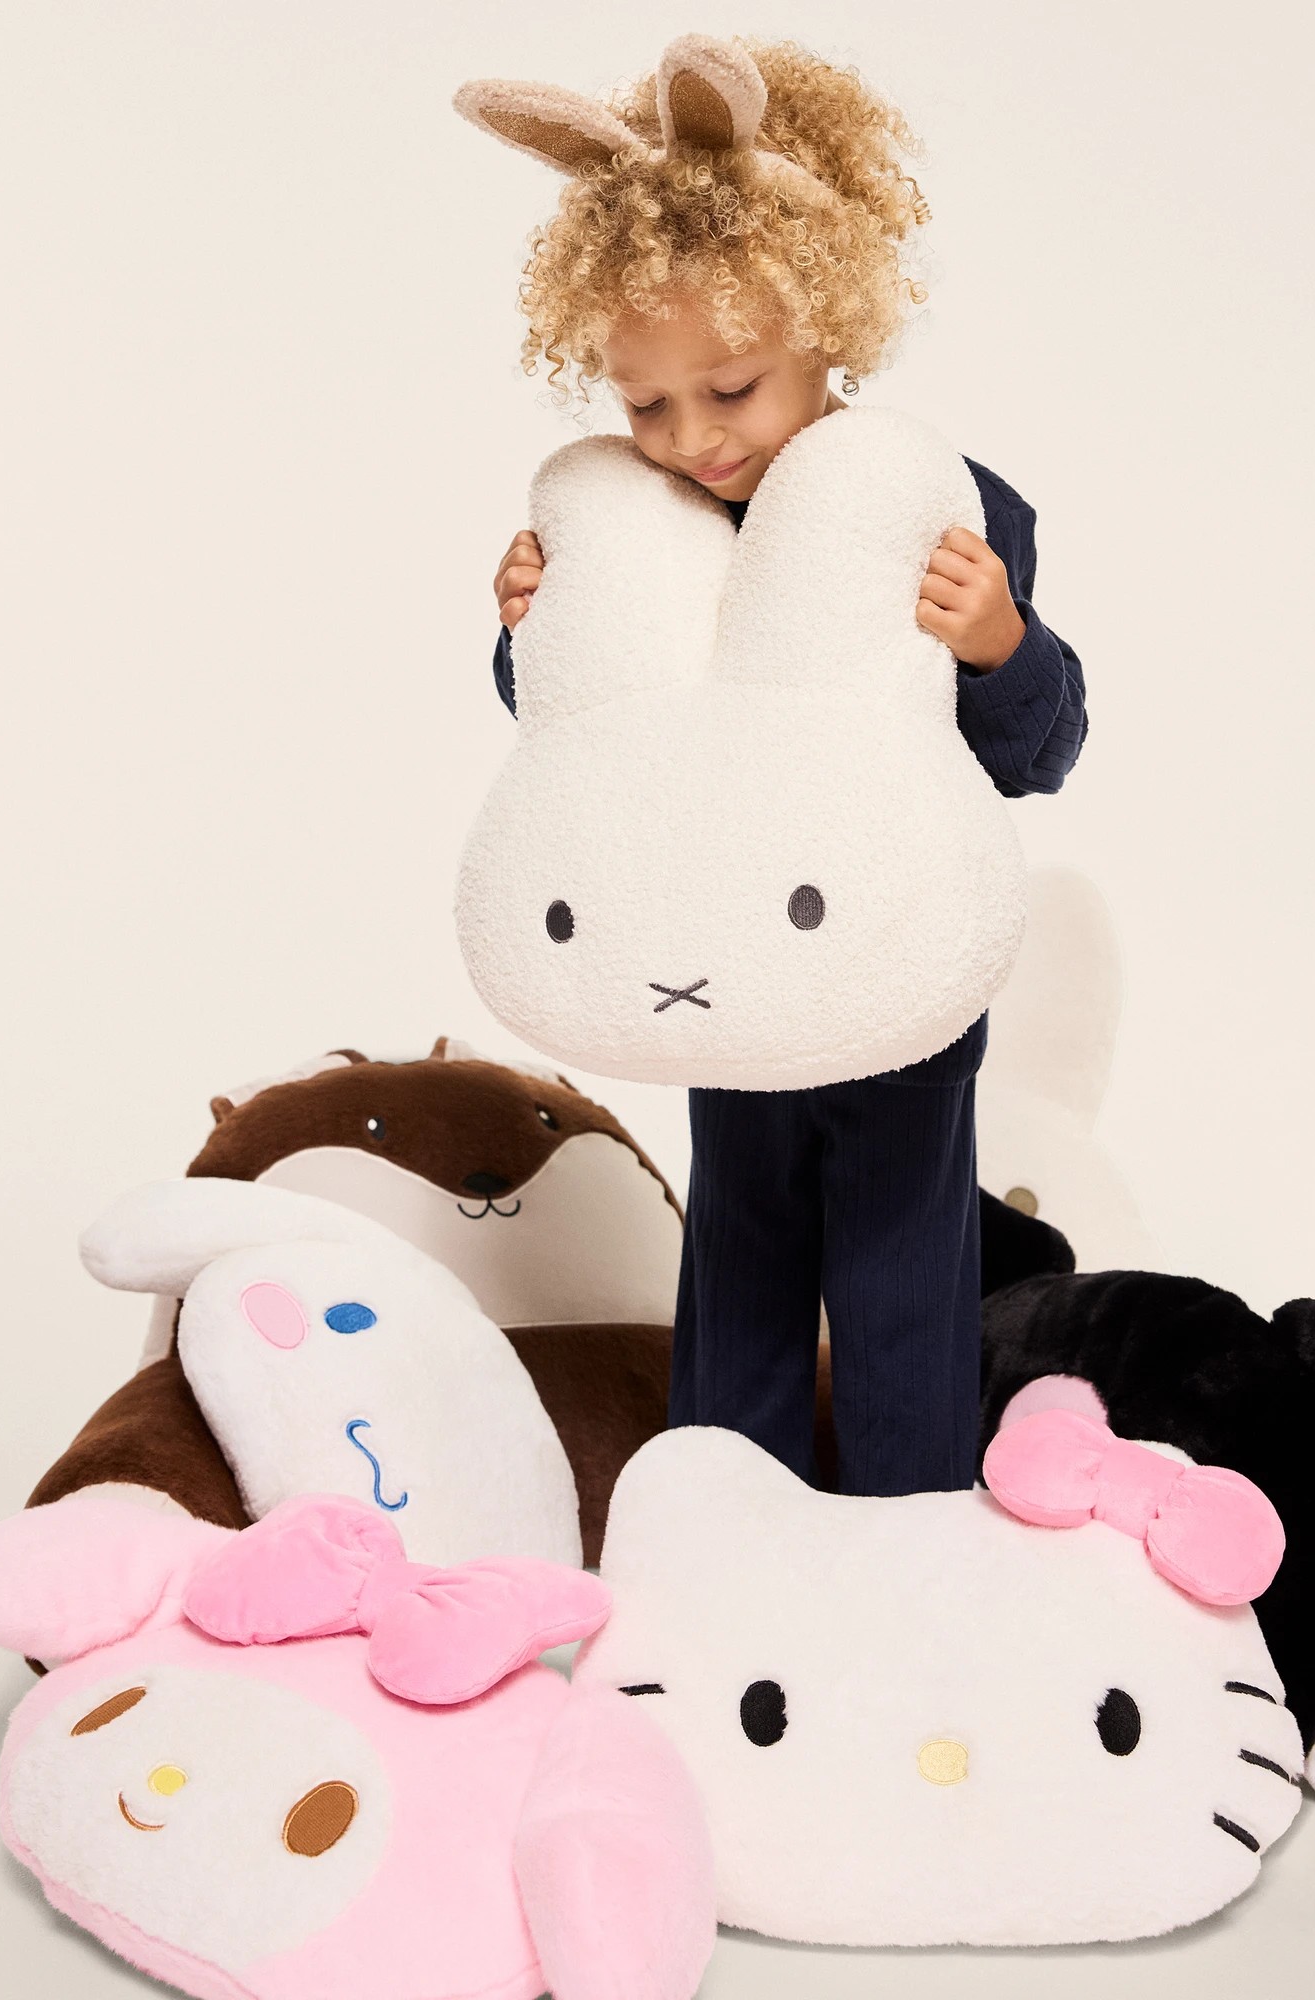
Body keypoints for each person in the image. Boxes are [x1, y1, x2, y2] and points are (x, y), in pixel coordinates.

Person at [464, 35, 1086, 1496]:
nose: (690, 439)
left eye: (732, 389)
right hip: (716, 964)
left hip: (889, 971)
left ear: (825, 325)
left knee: (898, 1265)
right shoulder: (638, 526)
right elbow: (589, 748)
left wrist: (1000, 644)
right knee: (738, 1246)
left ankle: (910, 1518)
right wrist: (526, 632)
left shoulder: (943, 507)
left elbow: (1032, 755)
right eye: (645, 405)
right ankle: (720, 1508)